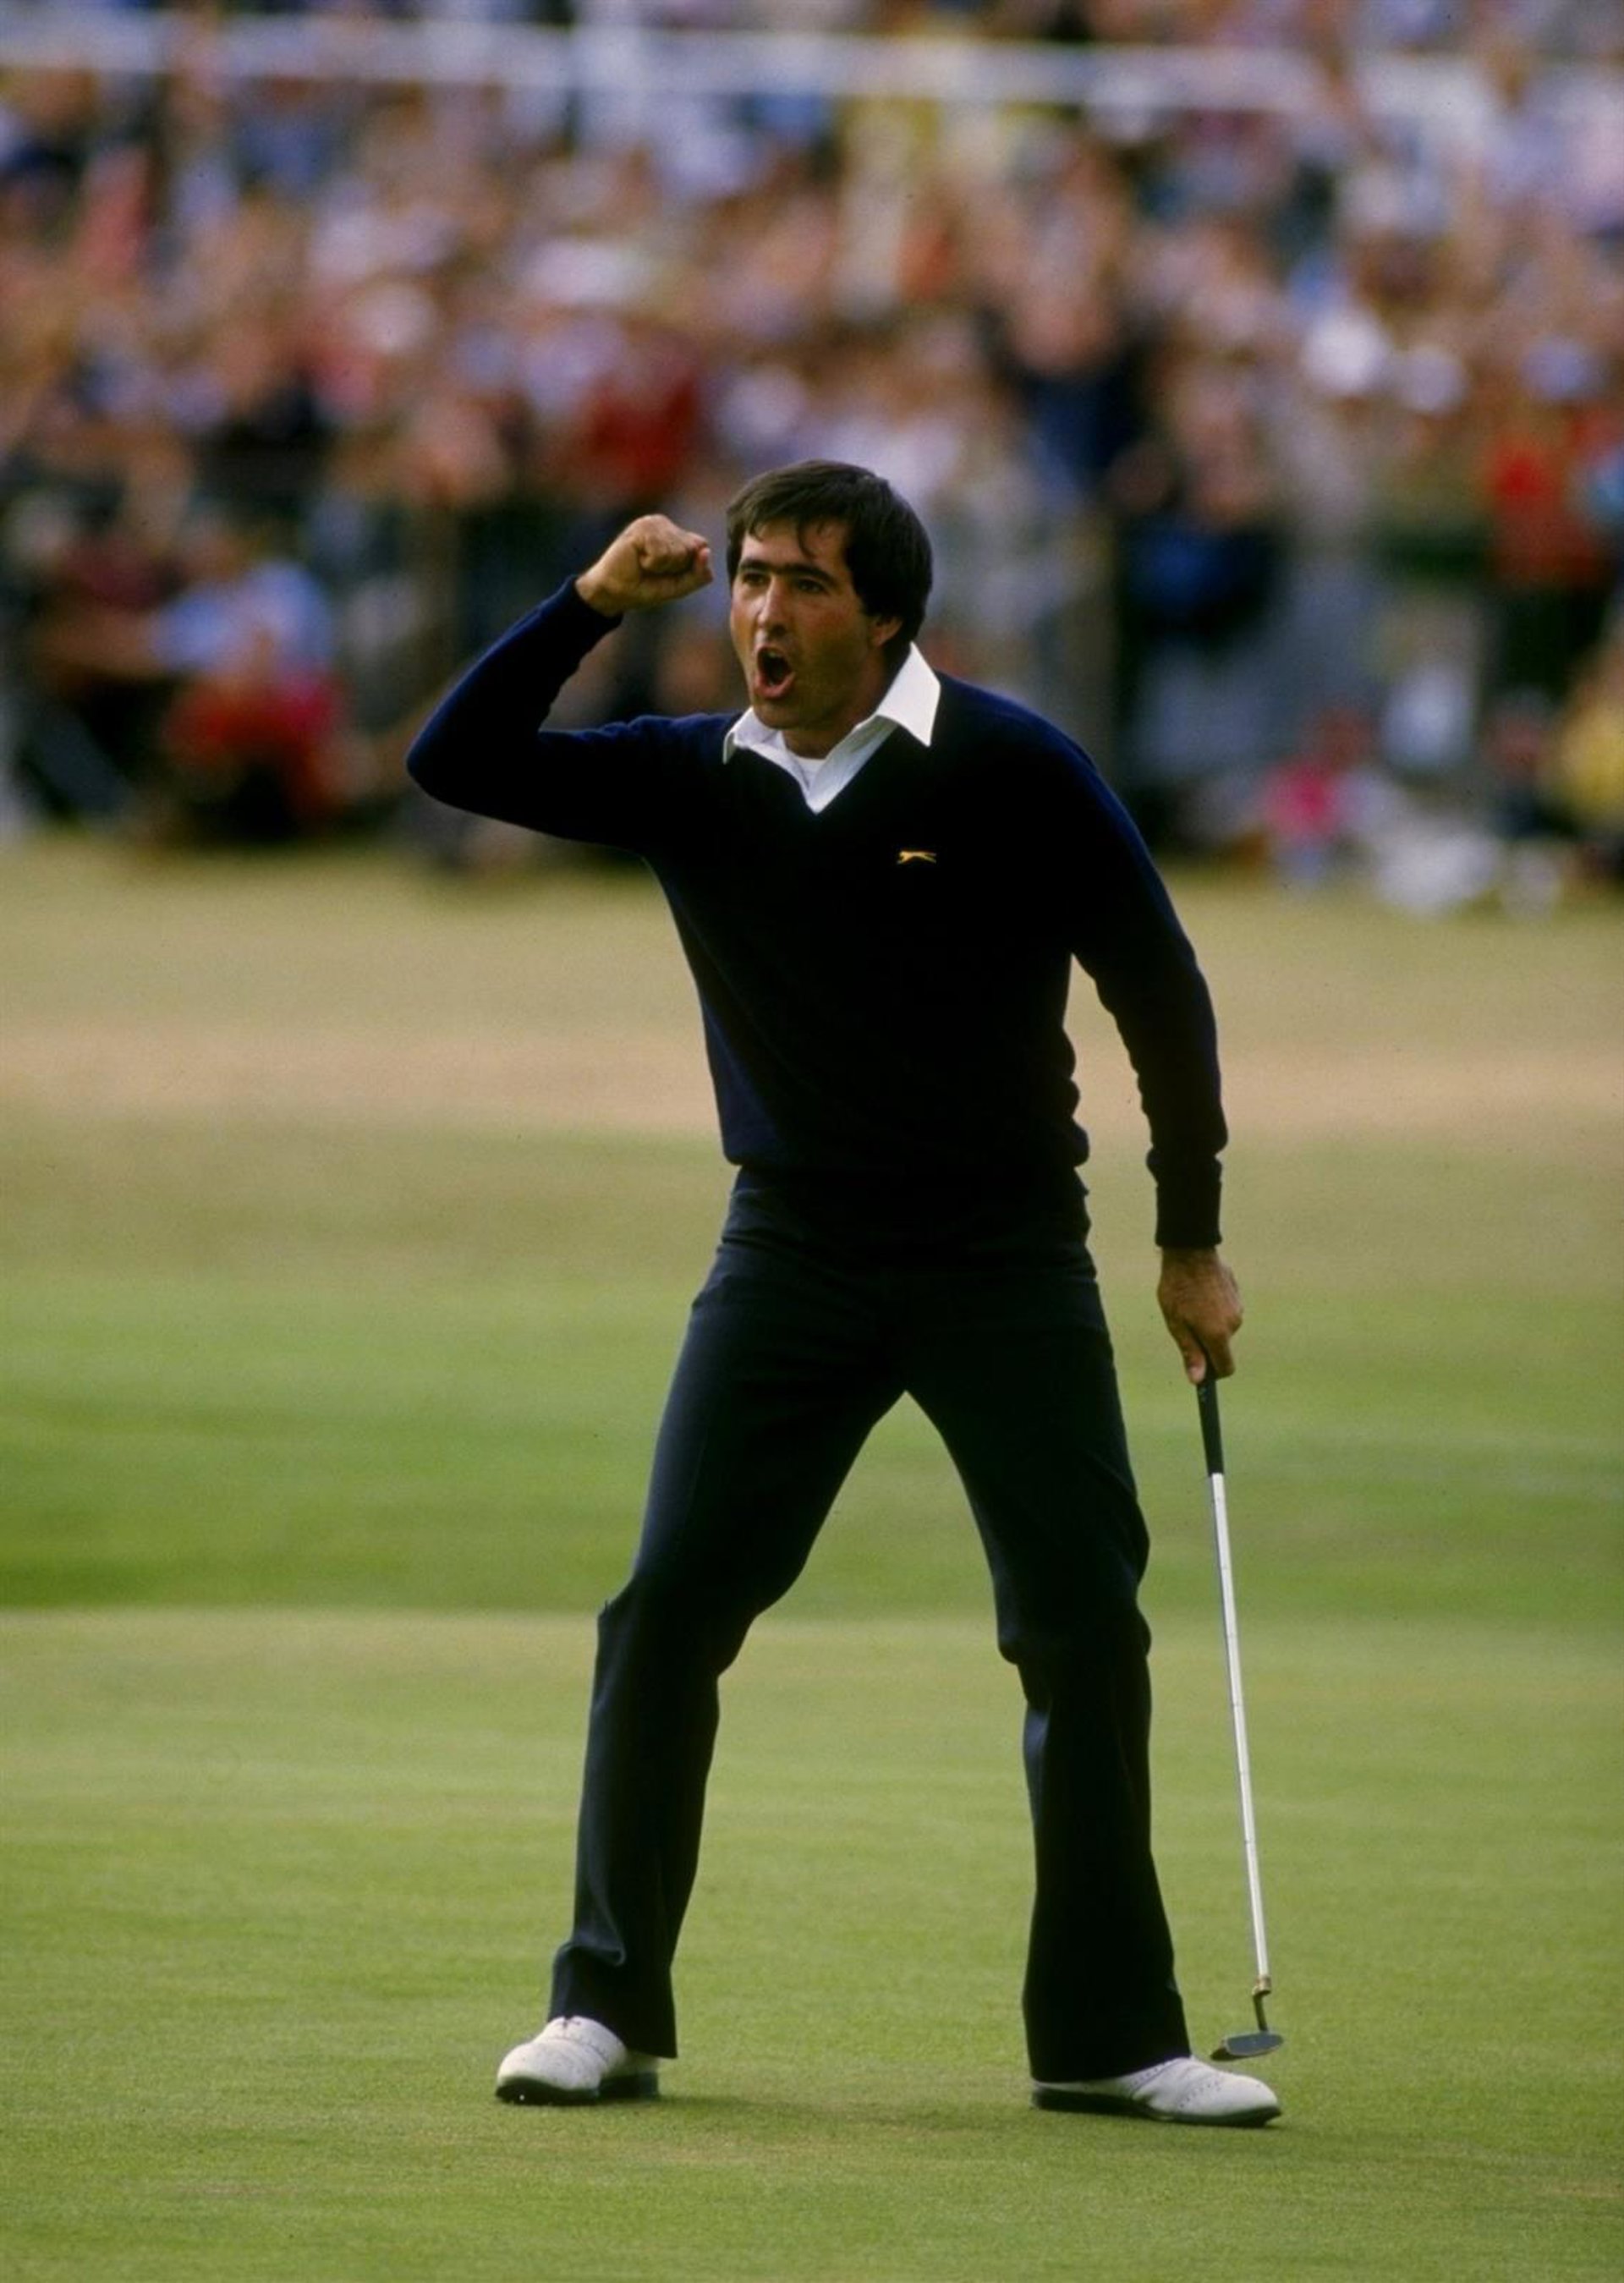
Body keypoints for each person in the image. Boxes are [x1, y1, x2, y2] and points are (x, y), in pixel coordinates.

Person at [406, 460, 1280, 2129]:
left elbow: (1159, 988)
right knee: (667, 1611)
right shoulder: (694, 773)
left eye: (802, 583)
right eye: (749, 578)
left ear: (884, 619)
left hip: (1004, 1253)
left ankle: (1109, 2036)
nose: (762, 612)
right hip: (790, 1251)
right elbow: (455, 760)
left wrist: (1190, 1237)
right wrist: (589, 605)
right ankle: (602, 2006)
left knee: (1081, 1625)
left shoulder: (1012, 765)